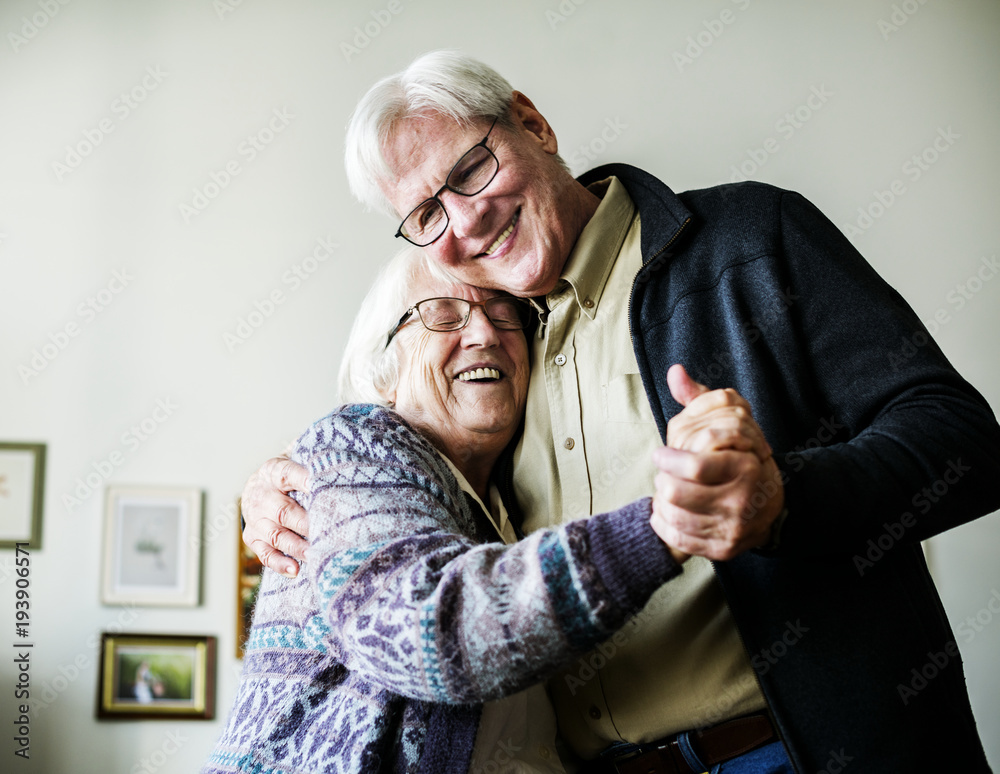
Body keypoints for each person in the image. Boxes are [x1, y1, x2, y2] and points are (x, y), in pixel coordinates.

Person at [241, 52, 1000, 772]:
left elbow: (963, 440)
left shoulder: (751, 239)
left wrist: (781, 501)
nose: (465, 223)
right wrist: (287, 479)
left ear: (532, 124)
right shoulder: (496, 360)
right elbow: (414, 526)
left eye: (470, 172)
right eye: (427, 215)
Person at [208, 246, 770, 773]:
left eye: (504, 315)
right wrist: (662, 527)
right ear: (383, 367)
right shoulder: (355, 445)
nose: (484, 333)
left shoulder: (506, 500)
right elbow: (422, 629)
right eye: (442, 315)